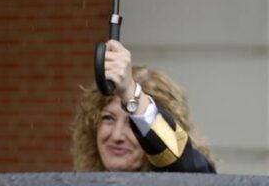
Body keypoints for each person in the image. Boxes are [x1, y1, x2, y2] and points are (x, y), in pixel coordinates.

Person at [71, 40, 215, 173]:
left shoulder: (188, 175)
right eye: (108, 118)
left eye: (132, 123)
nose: (116, 136)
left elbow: (194, 171)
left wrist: (130, 93)